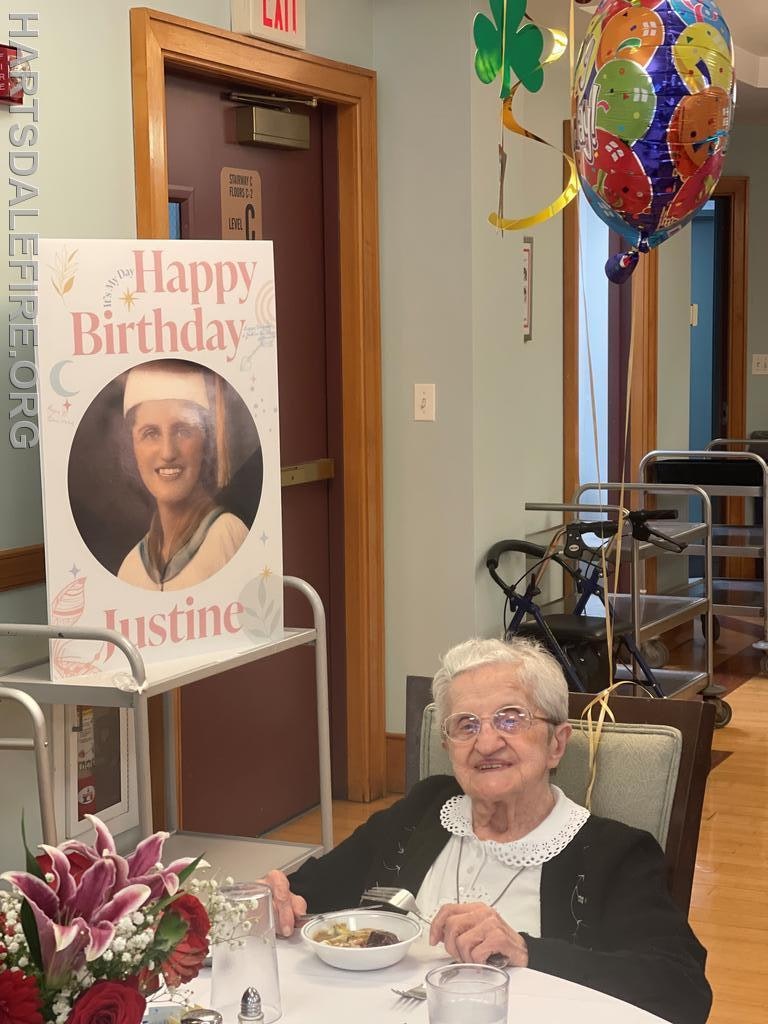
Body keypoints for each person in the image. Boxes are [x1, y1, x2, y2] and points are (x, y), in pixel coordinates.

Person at [260, 637, 711, 1024]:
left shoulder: (613, 852)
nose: (487, 742)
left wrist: (527, 951)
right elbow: (316, 889)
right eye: (466, 725)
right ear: (447, 746)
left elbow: (683, 990)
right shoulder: (424, 809)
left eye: (511, 718)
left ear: (556, 743)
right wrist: (284, 897)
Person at [117, 360, 248, 590]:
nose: (168, 452)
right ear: (133, 446)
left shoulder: (227, 536)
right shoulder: (131, 567)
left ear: (206, 440)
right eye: (150, 433)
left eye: (183, 430)